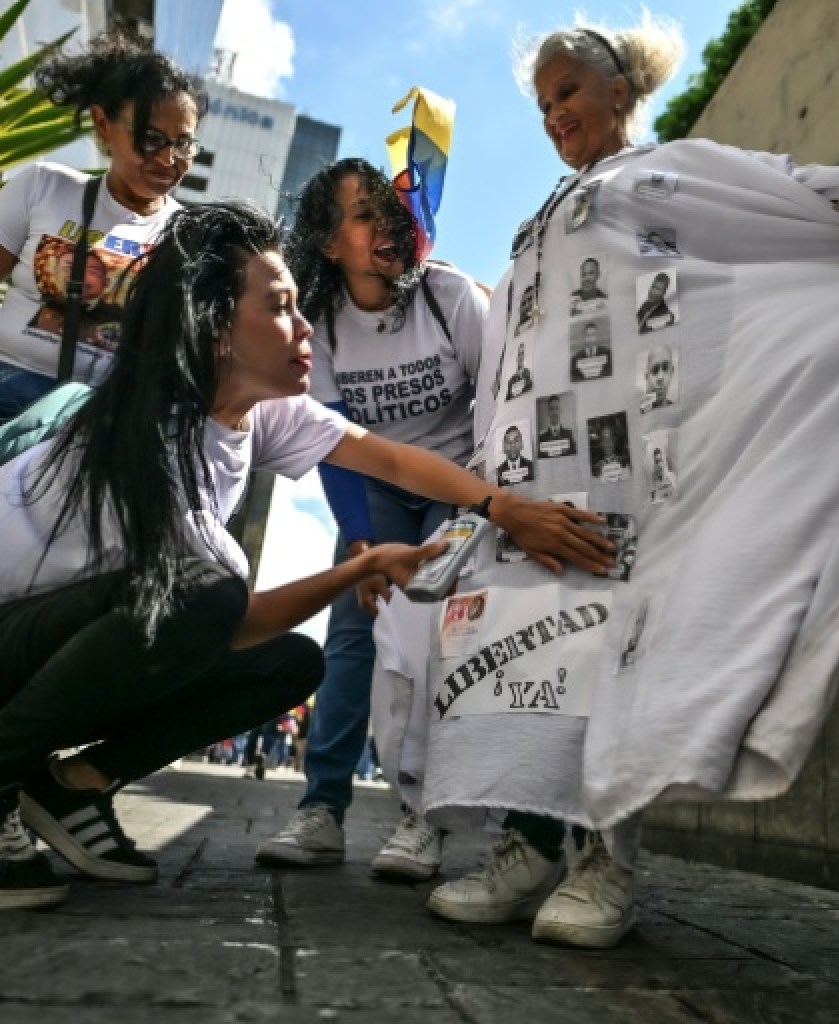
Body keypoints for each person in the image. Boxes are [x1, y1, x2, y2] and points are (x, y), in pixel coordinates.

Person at [421, 15, 839, 951]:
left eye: (570, 92)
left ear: (619, 93)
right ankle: (523, 842)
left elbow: (782, 193)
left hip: (631, 469)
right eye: (545, 102)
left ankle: (607, 863)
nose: (557, 112)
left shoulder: (666, 170)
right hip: (528, 479)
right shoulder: (542, 214)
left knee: (611, 646)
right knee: (525, 647)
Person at [0, 201, 615, 912]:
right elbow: (221, 618)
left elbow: (390, 458)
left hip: (46, 653)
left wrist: (503, 507)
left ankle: (73, 787)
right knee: (214, 594)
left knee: (291, 664)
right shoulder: (146, 444)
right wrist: (359, 567)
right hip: (17, 643)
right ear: (219, 330)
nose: (306, 333)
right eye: (284, 310)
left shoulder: (258, 409)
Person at [253, 157, 489, 882]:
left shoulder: (450, 296)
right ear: (329, 243)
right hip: (374, 489)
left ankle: (427, 818)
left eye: (391, 211)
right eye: (363, 215)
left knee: (445, 642)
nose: (384, 225)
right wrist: (358, 542)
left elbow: (500, 403)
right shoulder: (319, 323)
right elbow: (332, 443)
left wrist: (479, 510)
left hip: (457, 482)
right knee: (354, 634)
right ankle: (322, 808)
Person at [0, 30, 206, 422]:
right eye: (151, 139)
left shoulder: (189, 239)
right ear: (103, 125)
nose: (168, 160)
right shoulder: (42, 186)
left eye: (183, 144)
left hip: (95, 423)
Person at [642, 344, 674, 410]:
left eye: (665, 367)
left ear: (672, 371)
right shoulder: (642, 410)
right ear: (647, 377)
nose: (660, 377)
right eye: (655, 370)